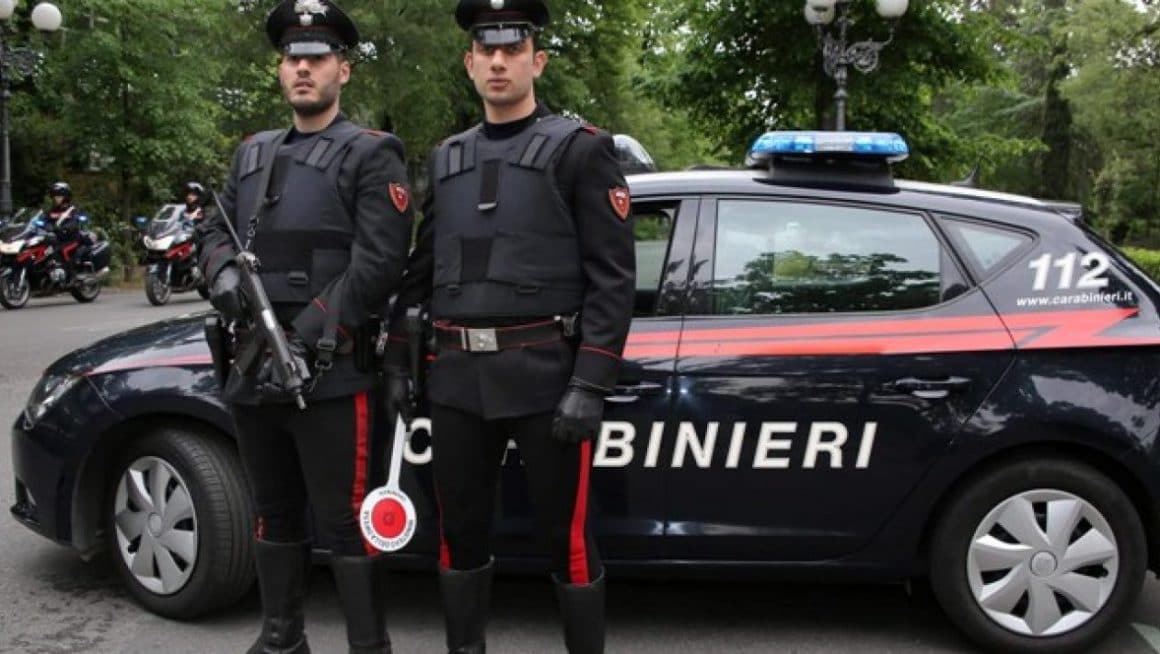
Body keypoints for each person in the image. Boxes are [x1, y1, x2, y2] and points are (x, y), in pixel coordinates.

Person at [385, 1, 635, 652]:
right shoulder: (446, 159)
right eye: (485, 51)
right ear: (469, 64)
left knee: (566, 539)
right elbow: (422, 273)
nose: (498, 62)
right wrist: (397, 358)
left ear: (536, 60)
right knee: (458, 533)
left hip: (548, 377)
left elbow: (612, 279)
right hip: (458, 380)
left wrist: (591, 381)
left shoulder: (581, 150)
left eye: (513, 49)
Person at [197, 1, 413, 652]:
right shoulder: (253, 154)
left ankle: (367, 646)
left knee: (345, 521)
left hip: (329, 367)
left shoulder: (372, 154)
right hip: (252, 363)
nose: (302, 69)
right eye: (293, 59)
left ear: (342, 71)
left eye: (316, 59)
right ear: (280, 70)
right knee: (273, 512)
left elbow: (380, 260)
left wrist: (313, 326)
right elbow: (215, 230)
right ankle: (281, 638)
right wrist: (223, 275)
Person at [43, 181, 92, 279]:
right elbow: (46, 221)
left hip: (72, 238)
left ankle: (72, 274)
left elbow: (75, 221)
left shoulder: (72, 210)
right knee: (45, 251)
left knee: (63, 251)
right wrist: (47, 227)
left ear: (66, 197)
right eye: (55, 196)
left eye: (59, 196)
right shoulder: (52, 211)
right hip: (57, 239)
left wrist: (66, 227)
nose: (56, 199)